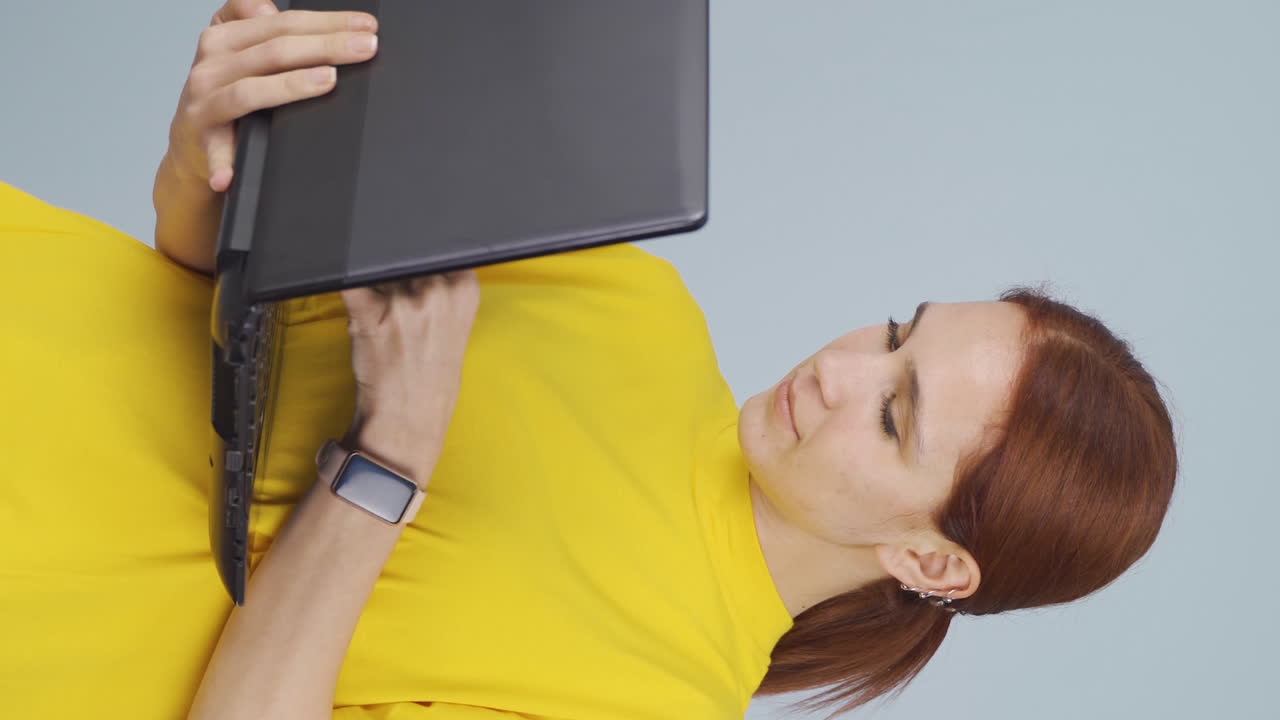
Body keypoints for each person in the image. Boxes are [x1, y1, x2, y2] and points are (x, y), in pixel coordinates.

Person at [0, 2, 1177, 718]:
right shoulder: (639, 301)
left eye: (891, 416)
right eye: (891, 334)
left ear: (932, 559)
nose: (838, 369)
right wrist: (211, 152)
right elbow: (221, 300)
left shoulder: (652, 701)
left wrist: (390, 455)